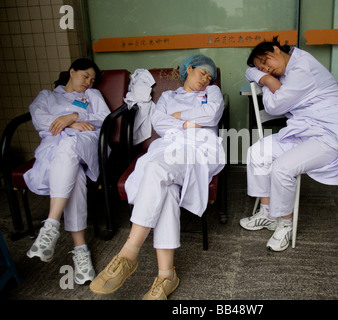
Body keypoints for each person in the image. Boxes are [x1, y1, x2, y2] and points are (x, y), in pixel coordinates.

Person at [90, 54, 225, 299]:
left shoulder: (212, 93)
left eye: (209, 77)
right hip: (167, 150)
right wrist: (191, 121)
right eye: (201, 73)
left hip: (200, 150)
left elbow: (212, 116)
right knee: (167, 190)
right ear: (189, 69)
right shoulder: (167, 97)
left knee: (157, 170)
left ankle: (128, 253)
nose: (206, 79)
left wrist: (179, 120)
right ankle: (166, 275)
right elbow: (159, 124)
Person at [239, 37, 338, 251]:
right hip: (305, 130)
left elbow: (275, 106)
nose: (267, 69)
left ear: (276, 49)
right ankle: (267, 214)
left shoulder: (302, 68)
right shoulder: (289, 65)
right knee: (257, 151)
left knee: (282, 168)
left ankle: (285, 225)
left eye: (266, 61)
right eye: (262, 67)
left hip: (330, 135)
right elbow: (249, 72)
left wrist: (266, 80)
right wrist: (264, 75)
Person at [25, 58, 110, 284]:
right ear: (72, 72)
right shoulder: (48, 96)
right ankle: (80, 249)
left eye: (92, 80)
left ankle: (51, 224)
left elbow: (104, 118)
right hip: (54, 148)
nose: (89, 83)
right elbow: (39, 118)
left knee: (70, 145)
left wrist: (74, 116)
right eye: (85, 76)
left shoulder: (91, 96)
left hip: (85, 143)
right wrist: (67, 123)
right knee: (76, 177)